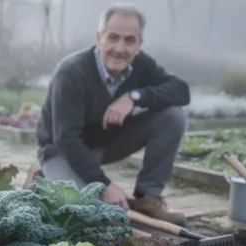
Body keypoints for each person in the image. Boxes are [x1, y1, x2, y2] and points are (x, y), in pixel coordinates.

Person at [26, 2, 191, 226]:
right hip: (62, 150)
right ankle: (42, 176)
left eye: (129, 40)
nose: (120, 48)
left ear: (139, 44)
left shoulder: (140, 64)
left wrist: (134, 97)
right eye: (112, 37)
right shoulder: (72, 73)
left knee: (173, 116)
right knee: (86, 215)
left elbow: (181, 91)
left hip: (105, 142)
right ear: (99, 38)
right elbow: (67, 139)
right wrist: (105, 185)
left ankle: (147, 198)